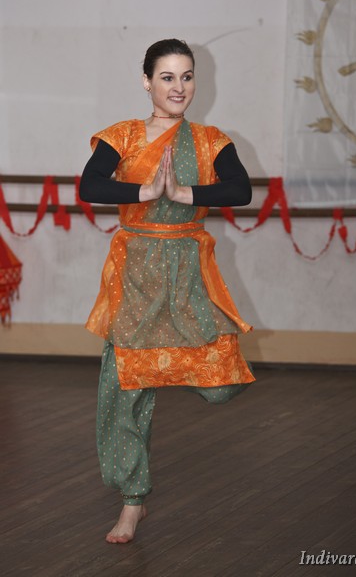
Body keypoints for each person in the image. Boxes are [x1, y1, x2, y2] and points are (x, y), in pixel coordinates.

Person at [80, 38, 256, 544]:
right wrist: (146, 191)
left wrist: (183, 193)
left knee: (221, 382)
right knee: (126, 387)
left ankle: (175, 372)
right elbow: (90, 185)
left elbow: (241, 189)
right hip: (136, 272)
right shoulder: (123, 136)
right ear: (147, 81)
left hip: (188, 271)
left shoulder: (211, 140)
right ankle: (132, 502)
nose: (179, 87)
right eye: (167, 77)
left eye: (187, 76)